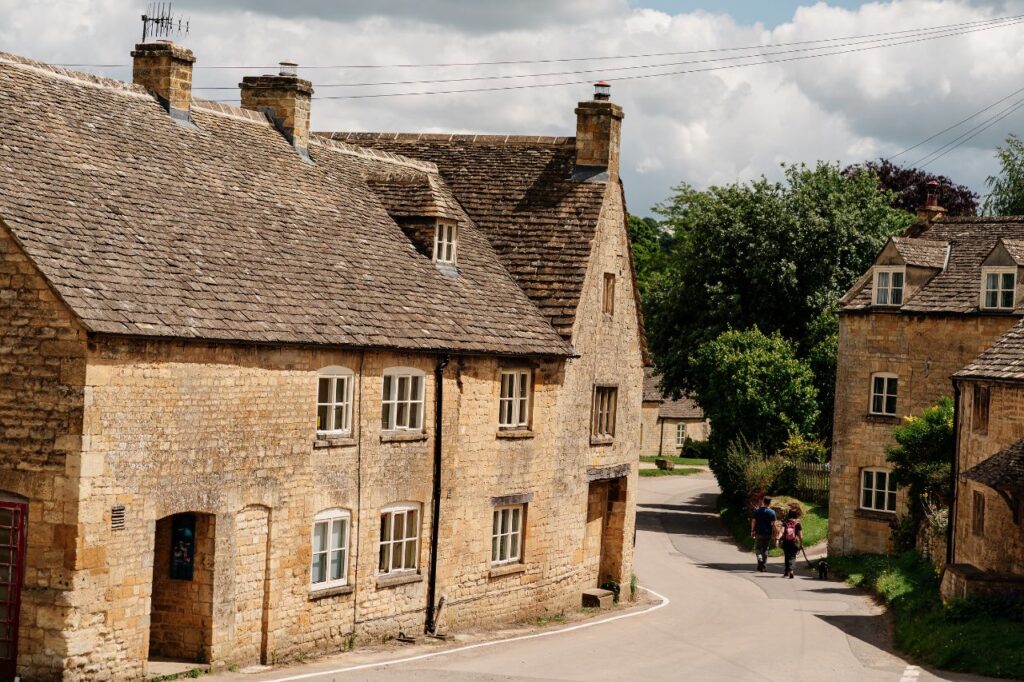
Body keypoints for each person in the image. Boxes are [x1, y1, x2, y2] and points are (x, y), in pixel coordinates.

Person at [749, 496, 776, 572]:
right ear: (770, 503)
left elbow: (753, 521)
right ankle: (763, 567)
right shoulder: (772, 512)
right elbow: (773, 524)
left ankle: (759, 558)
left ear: (763, 502)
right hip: (768, 533)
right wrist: (775, 533)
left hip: (759, 532)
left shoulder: (757, 511)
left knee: (758, 548)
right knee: (765, 549)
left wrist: (752, 531)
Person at [780, 505, 804, 579]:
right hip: (794, 542)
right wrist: (801, 543)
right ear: (796, 515)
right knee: (793, 557)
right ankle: (791, 570)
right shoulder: (797, 523)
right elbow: (801, 536)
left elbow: (782, 531)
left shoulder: (785, 522)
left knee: (787, 556)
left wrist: (779, 538)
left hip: (786, 542)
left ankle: (786, 572)